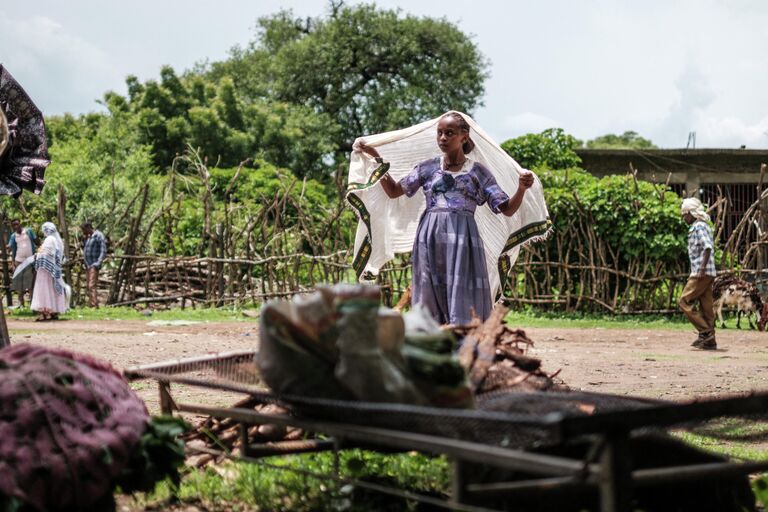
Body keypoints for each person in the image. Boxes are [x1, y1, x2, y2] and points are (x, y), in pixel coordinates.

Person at [358, 112, 534, 325]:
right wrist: (377, 159)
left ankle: (464, 335)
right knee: (428, 284)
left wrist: (522, 189)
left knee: (462, 286)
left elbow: (506, 209)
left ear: (464, 137)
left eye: (449, 133)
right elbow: (395, 191)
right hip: (429, 237)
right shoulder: (428, 168)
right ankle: (431, 338)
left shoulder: (478, 173)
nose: (442, 138)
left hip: (464, 239)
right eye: (440, 133)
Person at [680, 197, 717, 350]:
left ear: (691, 213)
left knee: (684, 301)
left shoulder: (698, 227)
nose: (683, 217)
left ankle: (705, 331)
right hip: (709, 272)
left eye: (684, 214)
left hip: (701, 272)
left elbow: (707, 247)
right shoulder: (704, 225)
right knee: (706, 306)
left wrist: (701, 268)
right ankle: (710, 341)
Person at [31, 222, 69, 321]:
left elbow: (45, 254)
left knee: (44, 289)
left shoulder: (49, 239)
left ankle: (44, 312)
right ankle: (54, 312)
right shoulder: (58, 240)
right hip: (55, 270)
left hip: (45, 270)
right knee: (53, 290)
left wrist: (37, 255)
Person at [7, 218, 37, 306]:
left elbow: (36, 241)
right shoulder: (13, 236)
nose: (16, 226)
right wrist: (7, 248)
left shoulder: (28, 231)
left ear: (20, 223)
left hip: (30, 260)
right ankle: (21, 303)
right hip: (19, 261)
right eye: (14, 225)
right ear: (12, 227)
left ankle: (33, 302)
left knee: (31, 281)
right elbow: (10, 246)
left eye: (17, 224)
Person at [80, 222, 107, 308]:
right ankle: (91, 304)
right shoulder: (89, 237)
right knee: (89, 285)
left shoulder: (99, 235)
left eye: (84, 230)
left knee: (91, 285)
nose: (83, 232)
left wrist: (98, 263)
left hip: (94, 264)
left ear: (89, 228)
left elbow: (103, 250)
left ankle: (95, 305)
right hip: (88, 264)